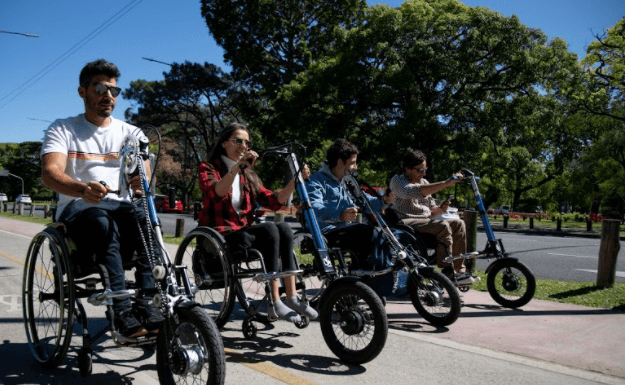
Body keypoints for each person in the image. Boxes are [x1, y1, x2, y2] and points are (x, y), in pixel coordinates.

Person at [41, 59, 161, 338]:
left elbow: (143, 177)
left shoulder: (131, 133)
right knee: (101, 220)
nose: (108, 95)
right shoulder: (63, 129)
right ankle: (120, 309)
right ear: (82, 91)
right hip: (78, 209)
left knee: (145, 217)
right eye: (100, 88)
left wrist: (140, 182)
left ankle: (147, 300)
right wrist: (83, 189)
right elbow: (50, 173)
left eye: (114, 91)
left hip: (121, 207)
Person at [198, 122, 316, 322]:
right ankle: (274, 301)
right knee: (270, 228)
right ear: (225, 143)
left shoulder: (248, 174)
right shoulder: (208, 168)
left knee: (285, 228)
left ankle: (292, 297)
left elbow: (273, 200)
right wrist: (237, 167)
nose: (244, 146)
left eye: (247, 143)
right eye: (238, 141)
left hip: (243, 232)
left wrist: (294, 181)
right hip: (220, 235)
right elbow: (217, 192)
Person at [388, 150, 478, 286]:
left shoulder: (424, 182)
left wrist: (441, 209)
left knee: (458, 223)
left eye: (425, 169)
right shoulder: (397, 181)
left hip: (425, 221)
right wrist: (446, 183)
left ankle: (459, 271)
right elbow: (411, 192)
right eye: (420, 170)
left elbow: (432, 212)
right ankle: (447, 270)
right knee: (442, 225)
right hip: (405, 222)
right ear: (408, 169)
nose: (424, 173)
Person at [305, 138, 395, 270]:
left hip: (346, 230)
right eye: (353, 163)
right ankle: (365, 273)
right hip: (325, 234)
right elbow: (314, 209)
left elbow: (365, 202)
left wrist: (385, 200)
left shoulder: (347, 182)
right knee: (367, 233)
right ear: (340, 162)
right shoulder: (316, 181)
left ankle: (378, 273)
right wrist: (340, 215)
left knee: (383, 235)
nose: (356, 167)